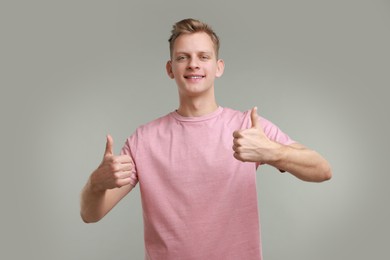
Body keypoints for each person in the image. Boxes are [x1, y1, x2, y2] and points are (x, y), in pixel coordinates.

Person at [80, 18, 332, 260]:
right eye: (182, 57)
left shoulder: (248, 128)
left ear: (218, 67)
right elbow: (91, 214)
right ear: (170, 69)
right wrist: (95, 184)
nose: (193, 64)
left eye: (203, 56)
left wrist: (274, 153)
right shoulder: (143, 140)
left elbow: (322, 170)